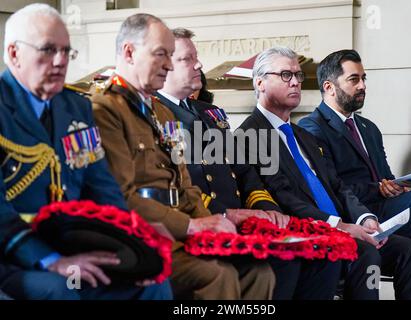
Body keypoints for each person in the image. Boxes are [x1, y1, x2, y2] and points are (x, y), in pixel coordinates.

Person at [91, 14, 274, 300]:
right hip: (143, 237)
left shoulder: (162, 113)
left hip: (181, 233)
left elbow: (185, 186)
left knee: (258, 270)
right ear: (129, 52)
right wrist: (192, 226)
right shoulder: (104, 110)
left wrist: (211, 226)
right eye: (162, 54)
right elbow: (120, 196)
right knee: (218, 274)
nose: (168, 63)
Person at [155, 27, 342, 300]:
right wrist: (228, 214)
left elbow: (243, 170)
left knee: (322, 255)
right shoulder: (155, 116)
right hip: (201, 223)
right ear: (166, 65)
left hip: (240, 222)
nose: (199, 64)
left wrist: (265, 207)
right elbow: (172, 188)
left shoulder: (208, 114)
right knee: (283, 263)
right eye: (188, 58)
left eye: (197, 56)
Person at [0, 4, 171, 300]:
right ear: (14, 53)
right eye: (48, 49)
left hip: (74, 249)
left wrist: (133, 244)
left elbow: (102, 187)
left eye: (67, 52)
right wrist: (53, 261)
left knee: (151, 283)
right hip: (15, 259)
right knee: (62, 289)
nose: (60, 61)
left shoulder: (74, 107)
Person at [237, 46, 411, 300]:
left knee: (410, 250)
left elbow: (337, 186)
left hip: (346, 226)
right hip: (310, 232)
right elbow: (283, 197)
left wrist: (364, 219)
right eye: (286, 75)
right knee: (367, 254)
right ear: (260, 82)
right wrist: (339, 226)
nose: (296, 82)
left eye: (298, 75)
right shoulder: (249, 136)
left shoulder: (302, 135)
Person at [297, 49, 411, 298]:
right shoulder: (311, 128)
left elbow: (386, 176)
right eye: (354, 79)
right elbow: (329, 189)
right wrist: (376, 188)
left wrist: (396, 186)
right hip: (356, 216)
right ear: (329, 87)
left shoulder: (369, 128)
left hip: (388, 212)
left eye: (364, 78)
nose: (363, 86)